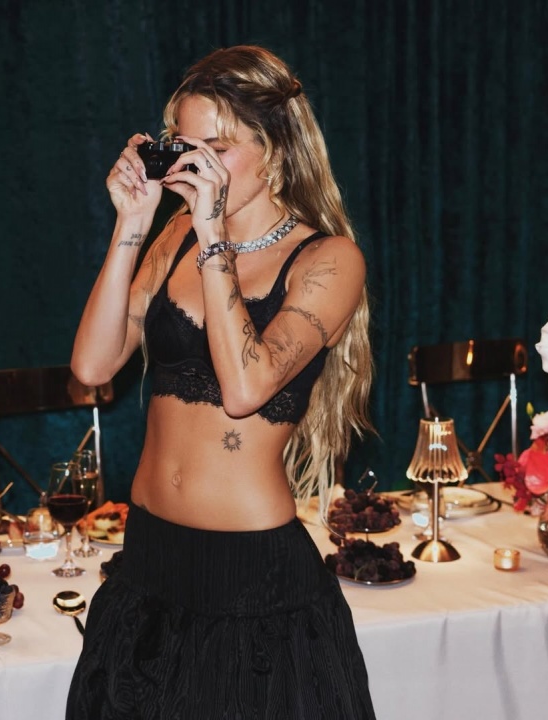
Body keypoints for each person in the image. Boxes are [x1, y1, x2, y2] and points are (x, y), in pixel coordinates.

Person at [67, 45, 376, 719]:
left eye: (219, 147)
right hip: (147, 561)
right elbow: (92, 367)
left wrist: (213, 234)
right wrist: (132, 222)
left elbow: (245, 390)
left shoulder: (328, 260)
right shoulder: (174, 235)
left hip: (251, 579)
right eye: (186, 146)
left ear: (276, 150)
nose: (196, 165)